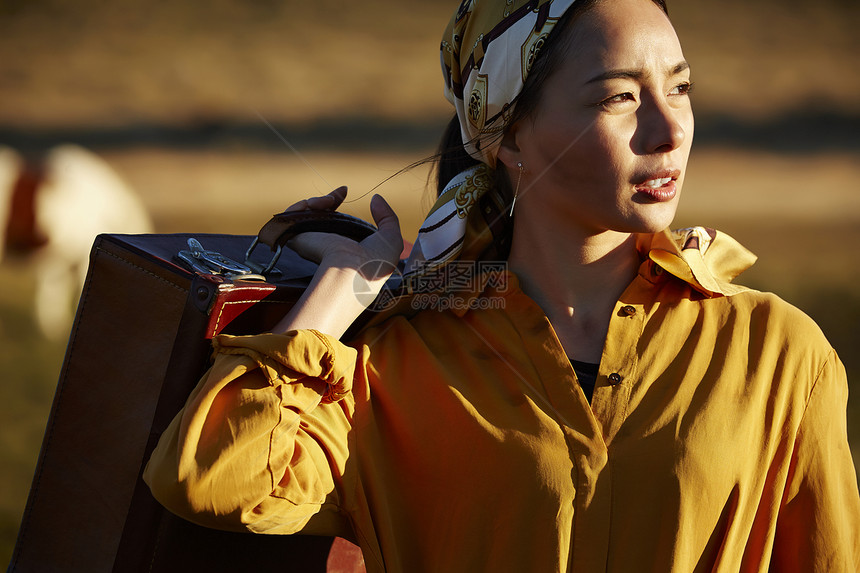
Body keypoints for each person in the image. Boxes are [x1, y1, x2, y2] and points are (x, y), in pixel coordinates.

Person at [144, 0, 860, 571]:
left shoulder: (779, 354)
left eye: (680, 87)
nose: (669, 128)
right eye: (618, 98)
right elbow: (213, 478)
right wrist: (338, 294)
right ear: (508, 137)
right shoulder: (395, 362)